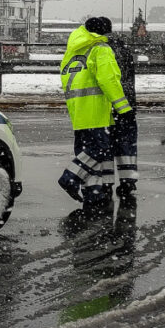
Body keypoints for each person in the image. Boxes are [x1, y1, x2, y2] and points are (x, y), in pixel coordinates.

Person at [57, 16, 133, 216]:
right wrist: (124, 109)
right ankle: (70, 177)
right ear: (103, 32)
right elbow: (109, 80)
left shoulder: (74, 50)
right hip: (96, 110)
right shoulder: (100, 49)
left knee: (87, 154)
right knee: (99, 149)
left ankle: (94, 194)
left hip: (78, 111)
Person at [106, 31, 138, 202]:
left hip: (112, 106)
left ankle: (106, 184)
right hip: (128, 104)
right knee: (127, 147)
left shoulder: (102, 49)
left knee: (106, 147)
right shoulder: (124, 48)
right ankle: (128, 182)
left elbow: (109, 80)